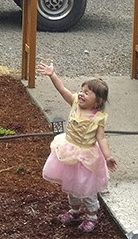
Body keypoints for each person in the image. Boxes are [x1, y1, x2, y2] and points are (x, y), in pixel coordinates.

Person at [37, 62, 117, 234]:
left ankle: (92, 216)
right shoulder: (74, 102)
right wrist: (52, 74)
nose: (81, 94)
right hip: (68, 153)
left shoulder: (98, 118)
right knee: (70, 186)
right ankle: (75, 211)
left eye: (87, 93)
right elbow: (62, 89)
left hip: (86, 159)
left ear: (98, 101)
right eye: (81, 90)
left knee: (86, 190)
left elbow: (101, 138)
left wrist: (108, 156)